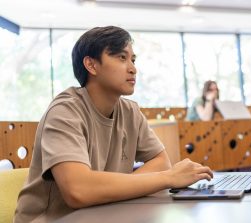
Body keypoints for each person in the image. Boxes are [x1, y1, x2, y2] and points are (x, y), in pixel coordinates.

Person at [14, 26, 213, 223]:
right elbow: (78, 190)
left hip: (104, 214)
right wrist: (169, 178)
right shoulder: (65, 111)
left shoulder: (130, 111)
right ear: (91, 65)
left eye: (133, 60)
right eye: (121, 57)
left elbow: (161, 162)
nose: (133, 68)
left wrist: (118, 188)